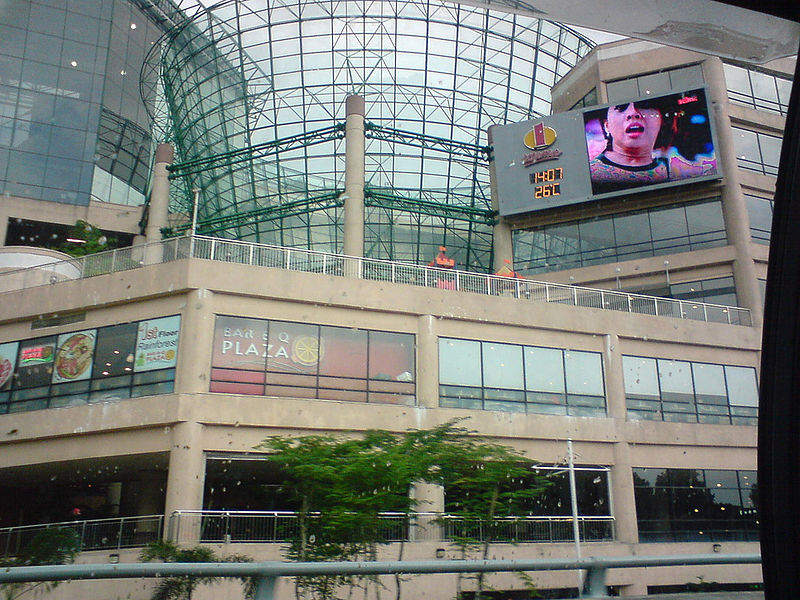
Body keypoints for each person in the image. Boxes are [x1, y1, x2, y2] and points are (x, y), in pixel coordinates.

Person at [589, 100, 670, 193]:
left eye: (644, 106)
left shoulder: (678, 169)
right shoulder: (590, 175)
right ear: (607, 126)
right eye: (620, 108)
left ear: (661, 120)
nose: (633, 113)